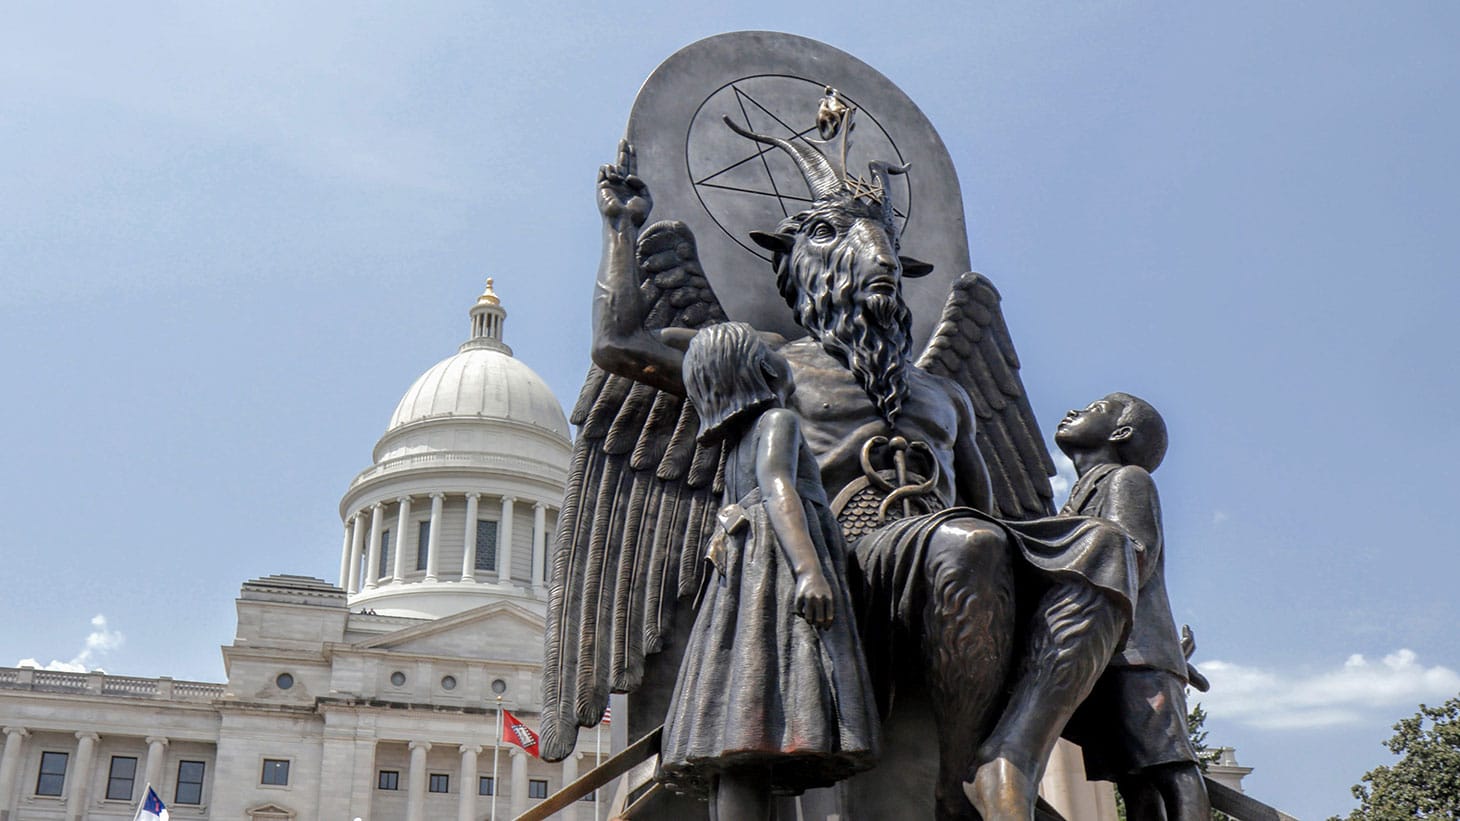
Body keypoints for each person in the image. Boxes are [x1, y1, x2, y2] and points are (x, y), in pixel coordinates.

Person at [657, 322, 879, 819]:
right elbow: (780, 489)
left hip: (741, 582)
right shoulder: (778, 420)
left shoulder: (734, 442)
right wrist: (809, 571)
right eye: (767, 346)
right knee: (754, 729)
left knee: (740, 739)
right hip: (775, 574)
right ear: (757, 366)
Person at [1054, 393, 1211, 820]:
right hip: (1104, 654)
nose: (1074, 411)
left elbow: (1131, 553)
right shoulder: (1079, 495)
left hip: (1137, 653)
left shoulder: (1127, 480)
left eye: (1095, 410)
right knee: (1135, 780)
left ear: (1120, 433)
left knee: (1170, 767)